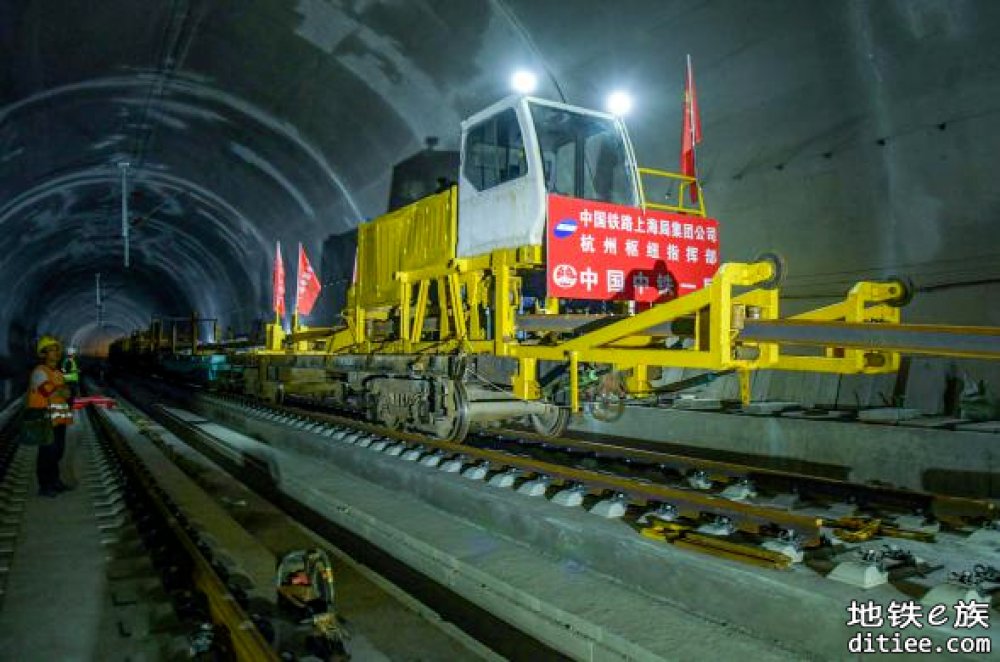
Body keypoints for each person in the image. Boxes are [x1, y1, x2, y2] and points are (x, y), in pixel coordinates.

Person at [27, 336, 74, 497]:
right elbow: (48, 391)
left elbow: (66, 392)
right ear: (43, 354)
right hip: (45, 418)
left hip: (59, 419)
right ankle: (44, 486)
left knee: (58, 451)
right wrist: (61, 390)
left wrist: (62, 390)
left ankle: (55, 481)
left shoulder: (57, 372)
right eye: (51, 350)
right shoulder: (40, 372)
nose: (56, 353)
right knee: (47, 452)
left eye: (57, 349)